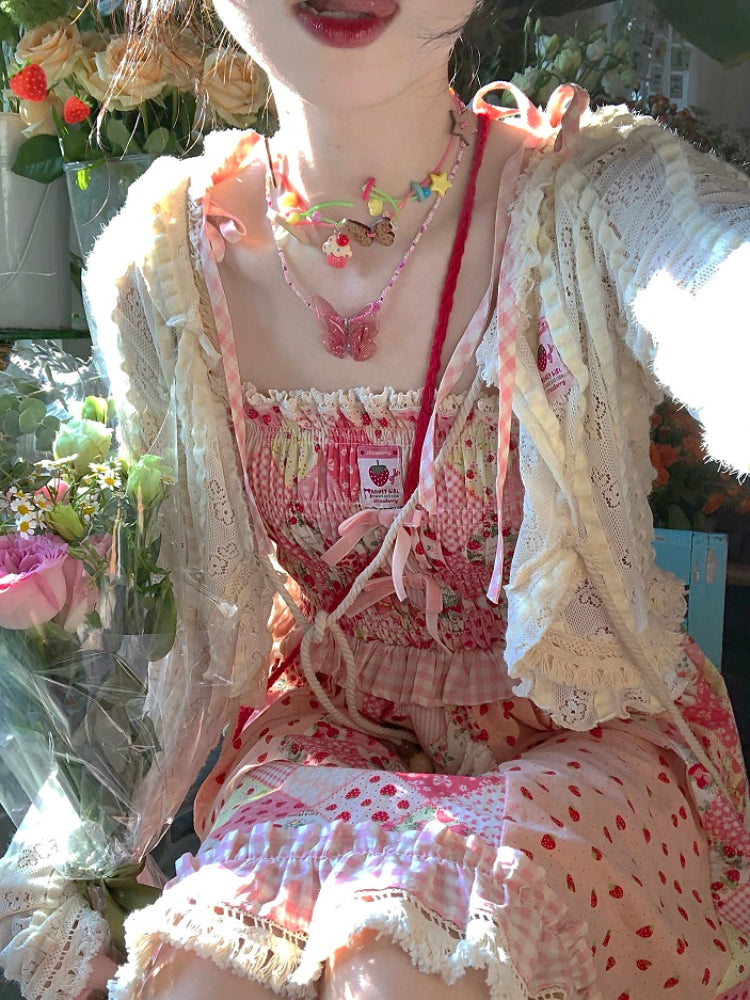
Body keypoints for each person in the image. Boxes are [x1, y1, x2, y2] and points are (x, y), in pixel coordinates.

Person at [5, 1, 750, 998]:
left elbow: (715, 284)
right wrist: (79, 853)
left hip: (579, 737)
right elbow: (171, 614)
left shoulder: (590, 194)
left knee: (395, 973)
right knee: (205, 978)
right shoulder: (163, 261)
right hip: (325, 728)